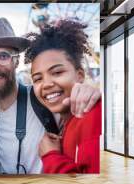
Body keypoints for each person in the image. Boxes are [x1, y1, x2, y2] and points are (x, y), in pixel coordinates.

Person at [0, 18, 101, 174]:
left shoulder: (45, 99)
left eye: (3, 56)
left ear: (16, 61)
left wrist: (90, 93)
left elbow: (77, 103)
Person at [25, 19, 101, 173]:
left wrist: (50, 156)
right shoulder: (69, 120)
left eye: (57, 72)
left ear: (80, 75)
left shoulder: (93, 117)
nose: (46, 84)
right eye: (38, 79)